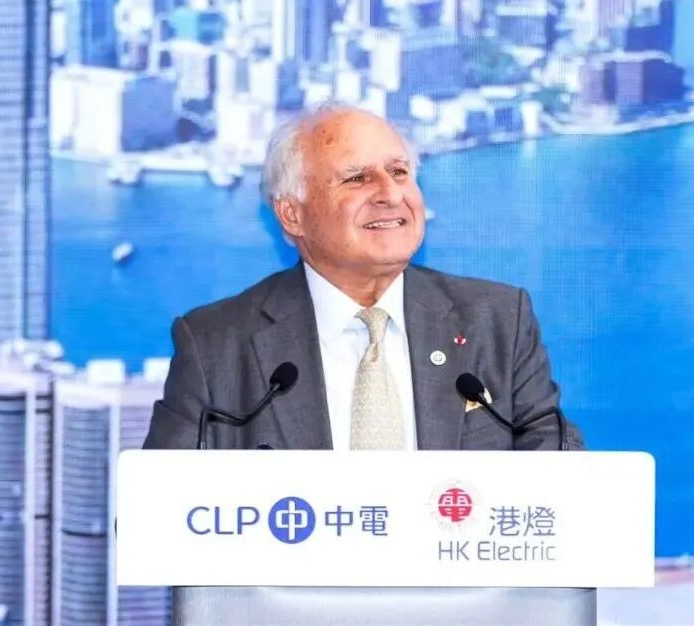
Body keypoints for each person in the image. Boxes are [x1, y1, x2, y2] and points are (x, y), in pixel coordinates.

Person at [144, 105, 583, 451]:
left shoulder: (498, 322)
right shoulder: (216, 345)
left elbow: (562, 484)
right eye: (357, 178)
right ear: (292, 214)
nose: (391, 194)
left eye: (399, 172)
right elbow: (157, 513)